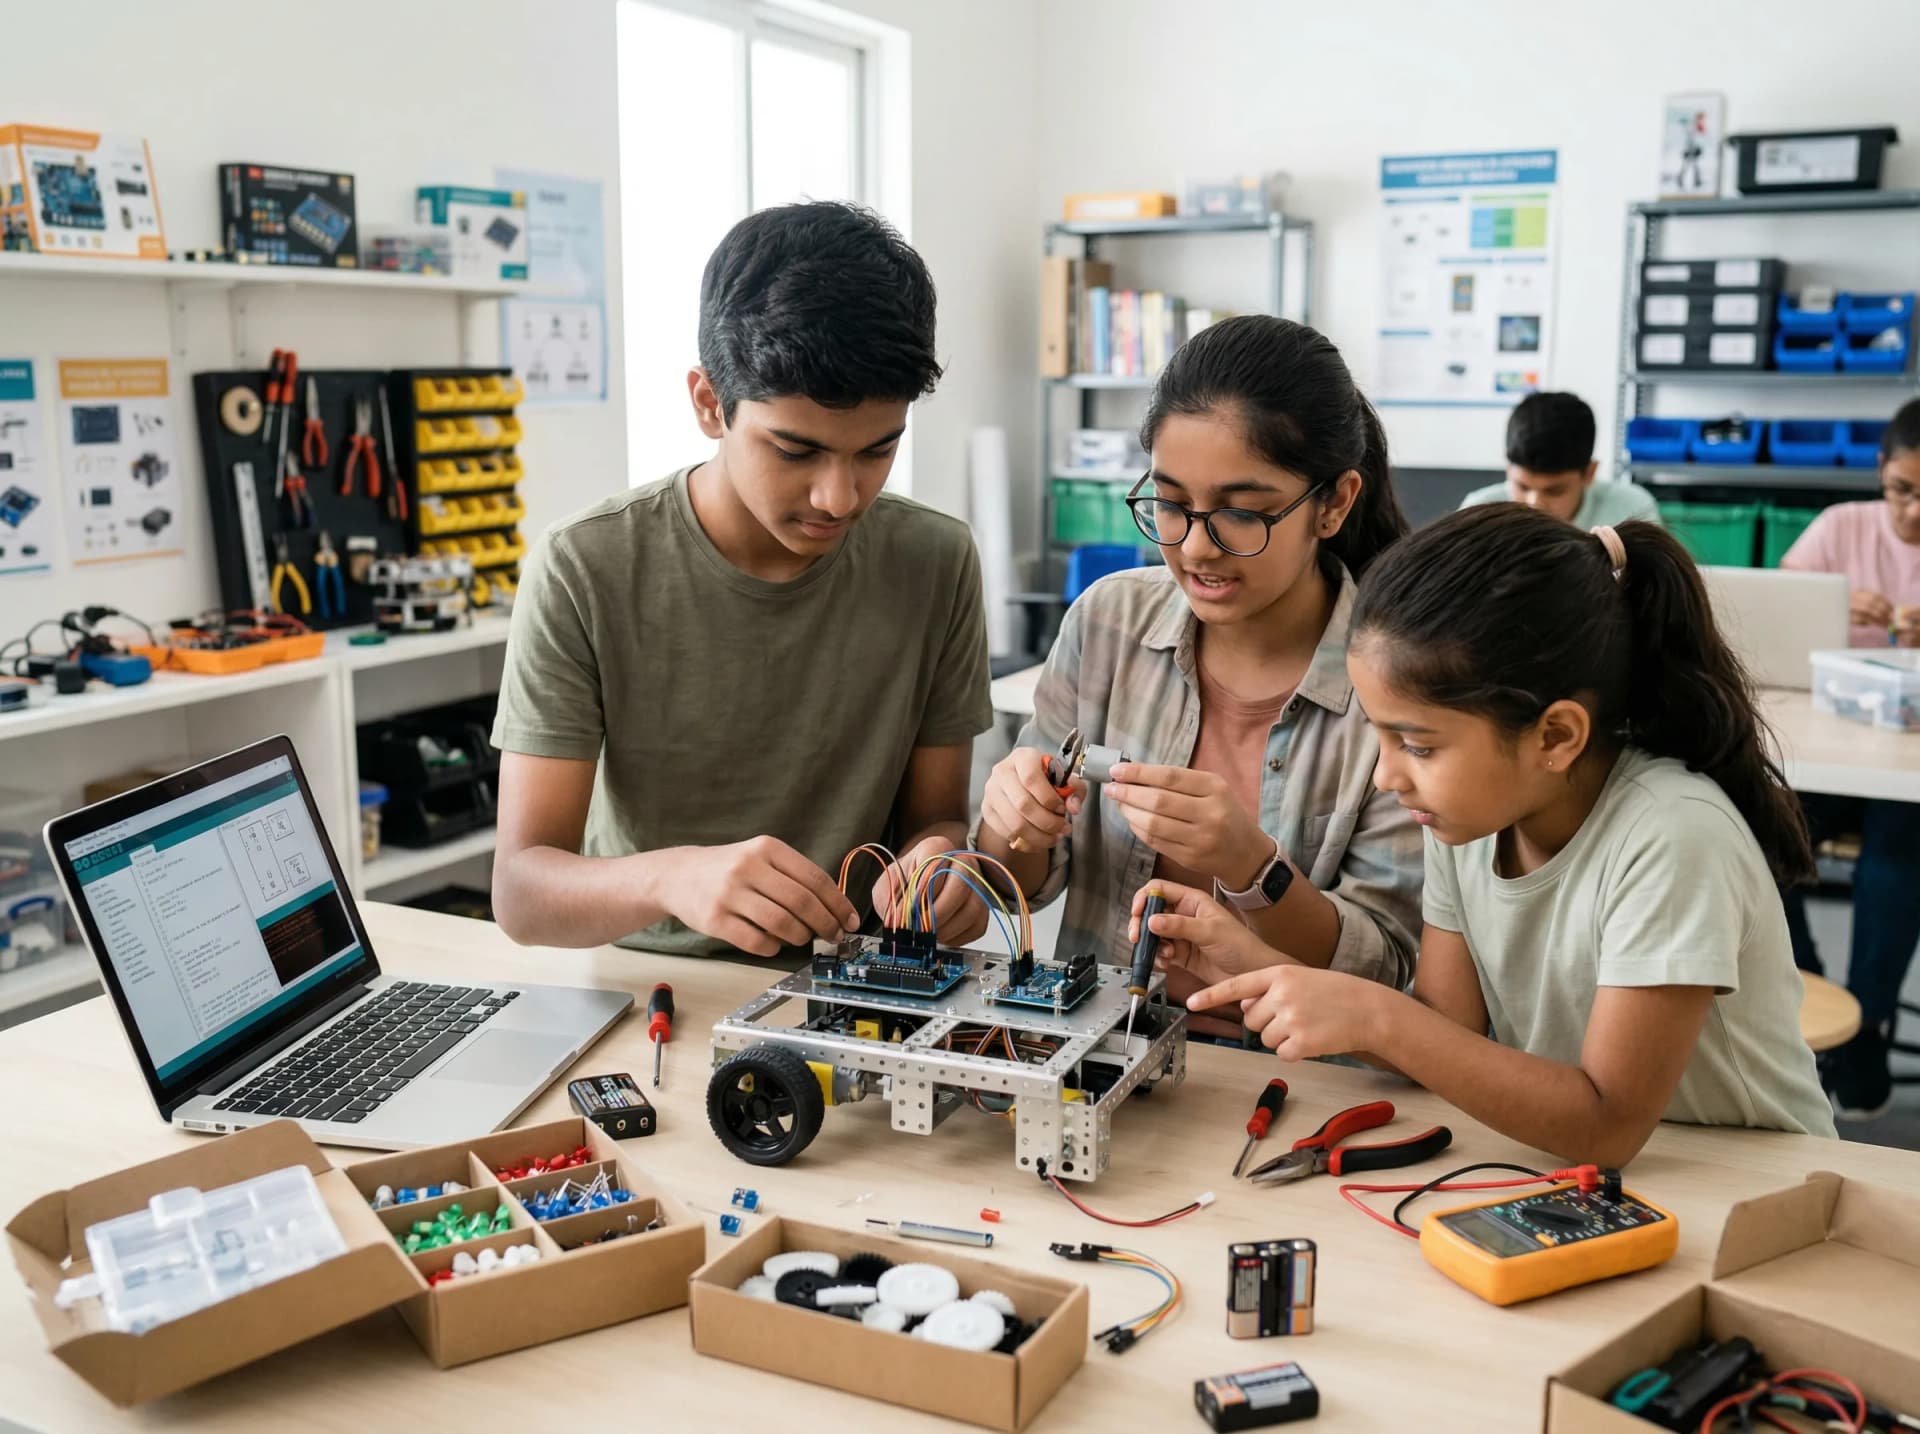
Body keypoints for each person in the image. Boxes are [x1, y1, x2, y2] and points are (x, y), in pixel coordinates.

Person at [1137, 506, 1836, 1162]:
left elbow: (1608, 1124)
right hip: (1607, 1183)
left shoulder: (1673, 836)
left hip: (1758, 1180)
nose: (1387, 776)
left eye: (1419, 746)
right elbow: (1445, 1035)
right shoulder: (1470, 822)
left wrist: (1377, 1016)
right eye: (1381, 737)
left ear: (1555, 736)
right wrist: (1256, 968)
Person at [488, 201, 992, 960]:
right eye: (795, 451)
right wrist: (673, 878)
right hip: (659, 989)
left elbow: (938, 821)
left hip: (856, 982)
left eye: (876, 452)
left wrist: (945, 864)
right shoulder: (583, 567)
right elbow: (523, 893)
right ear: (707, 403)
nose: (839, 498)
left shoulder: (936, 559)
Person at [976, 316, 1423, 1035]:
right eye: (1171, 504)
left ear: (1335, 503)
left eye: (1241, 512)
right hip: (1097, 1049)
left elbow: (1385, 966)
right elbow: (1022, 885)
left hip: (1291, 1076)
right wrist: (1014, 823)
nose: (1195, 548)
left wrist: (1254, 868)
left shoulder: (1400, 681)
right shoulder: (1108, 622)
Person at [1778, 396, 1920, 1118]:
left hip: (1910, 771)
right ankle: (1807, 997)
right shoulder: (1840, 527)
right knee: (1757, 830)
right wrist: (1830, 612)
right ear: (1879, 472)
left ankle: (1864, 1026)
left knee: (1899, 854)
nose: (1914, 513)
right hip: (1831, 748)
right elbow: (1773, 624)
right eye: (1901, 490)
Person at [1461, 391, 1661, 528]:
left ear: (1589, 473)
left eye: (1554, 491)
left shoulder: (1632, 512)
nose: (1534, 504)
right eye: (1522, 487)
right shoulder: (1478, 515)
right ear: (1508, 469)